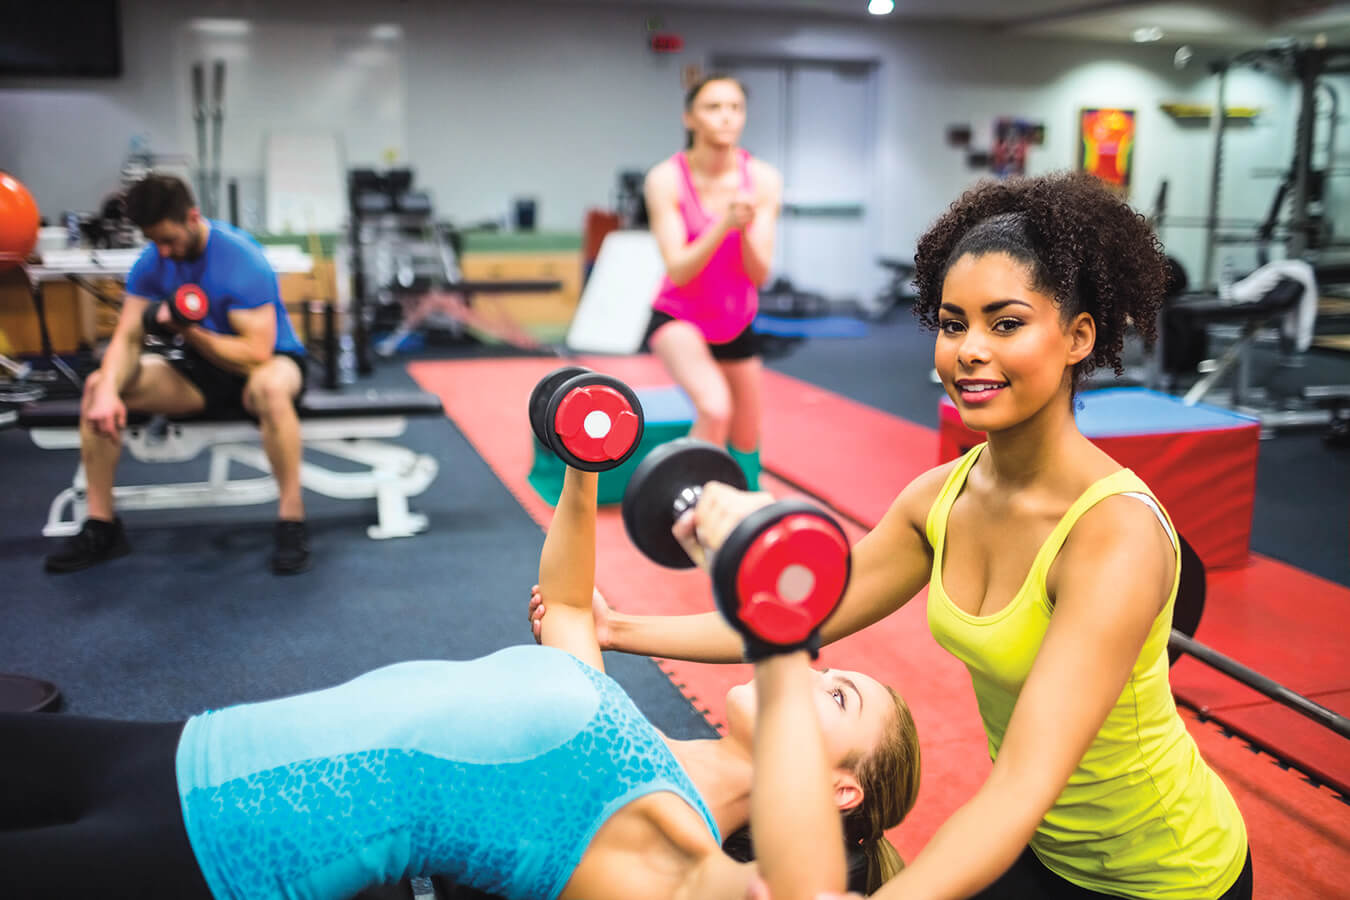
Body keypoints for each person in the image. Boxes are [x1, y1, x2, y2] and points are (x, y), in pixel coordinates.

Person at [534, 172, 1253, 899]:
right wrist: (619, 627)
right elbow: (797, 615)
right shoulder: (939, 500)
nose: (969, 350)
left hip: (1166, 870)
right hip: (1041, 846)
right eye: (951, 323)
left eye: (1005, 324)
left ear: (1077, 336)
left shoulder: (1114, 536)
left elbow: (1020, 785)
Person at [2, 447, 920, 900]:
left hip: (225, 855)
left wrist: (777, 631)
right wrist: (585, 462)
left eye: (836, 693)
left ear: (840, 791)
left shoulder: (673, 850)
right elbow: (565, 607)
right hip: (191, 748)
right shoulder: (625, 724)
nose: (811, 677)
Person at [43, 174, 312, 576]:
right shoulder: (153, 264)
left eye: (170, 240)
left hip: (270, 364)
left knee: (271, 387)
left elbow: (254, 354)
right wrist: (108, 391)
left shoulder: (240, 258)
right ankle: (102, 525)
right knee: (101, 384)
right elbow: (128, 337)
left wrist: (187, 328)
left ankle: (292, 519)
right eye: (155, 242)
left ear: (192, 216)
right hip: (200, 373)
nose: (164, 252)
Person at [642, 73, 783, 490]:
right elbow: (679, 269)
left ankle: (746, 517)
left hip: (736, 321)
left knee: (745, 438)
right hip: (677, 317)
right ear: (690, 118)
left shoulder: (762, 179)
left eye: (735, 108)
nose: (726, 117)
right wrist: (724, 223)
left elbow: (759, 274)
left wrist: (745, 228)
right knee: (715, 408)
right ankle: (682, 500)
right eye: (713, 107)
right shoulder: (665, 179)